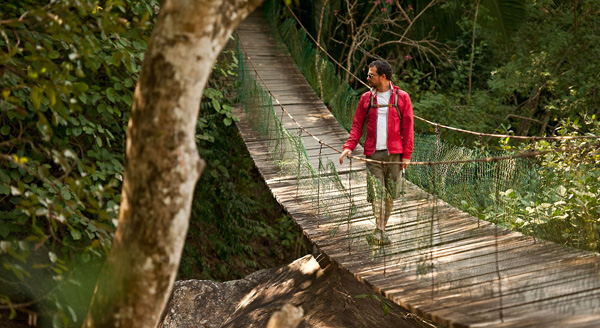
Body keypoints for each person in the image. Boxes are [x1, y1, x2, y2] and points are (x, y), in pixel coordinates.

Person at [339, 60, 414, 246]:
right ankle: (379, 229)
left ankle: (381, 228)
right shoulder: (366, 98)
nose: (367, 78)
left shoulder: (402, 98)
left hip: (395, 155)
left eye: (371, 75)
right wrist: (349, 146)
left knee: (389, 194)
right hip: (373, 154)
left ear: (383, 77)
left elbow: (409, 127)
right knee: (377, 193)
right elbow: (357, 125)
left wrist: (407, 155)